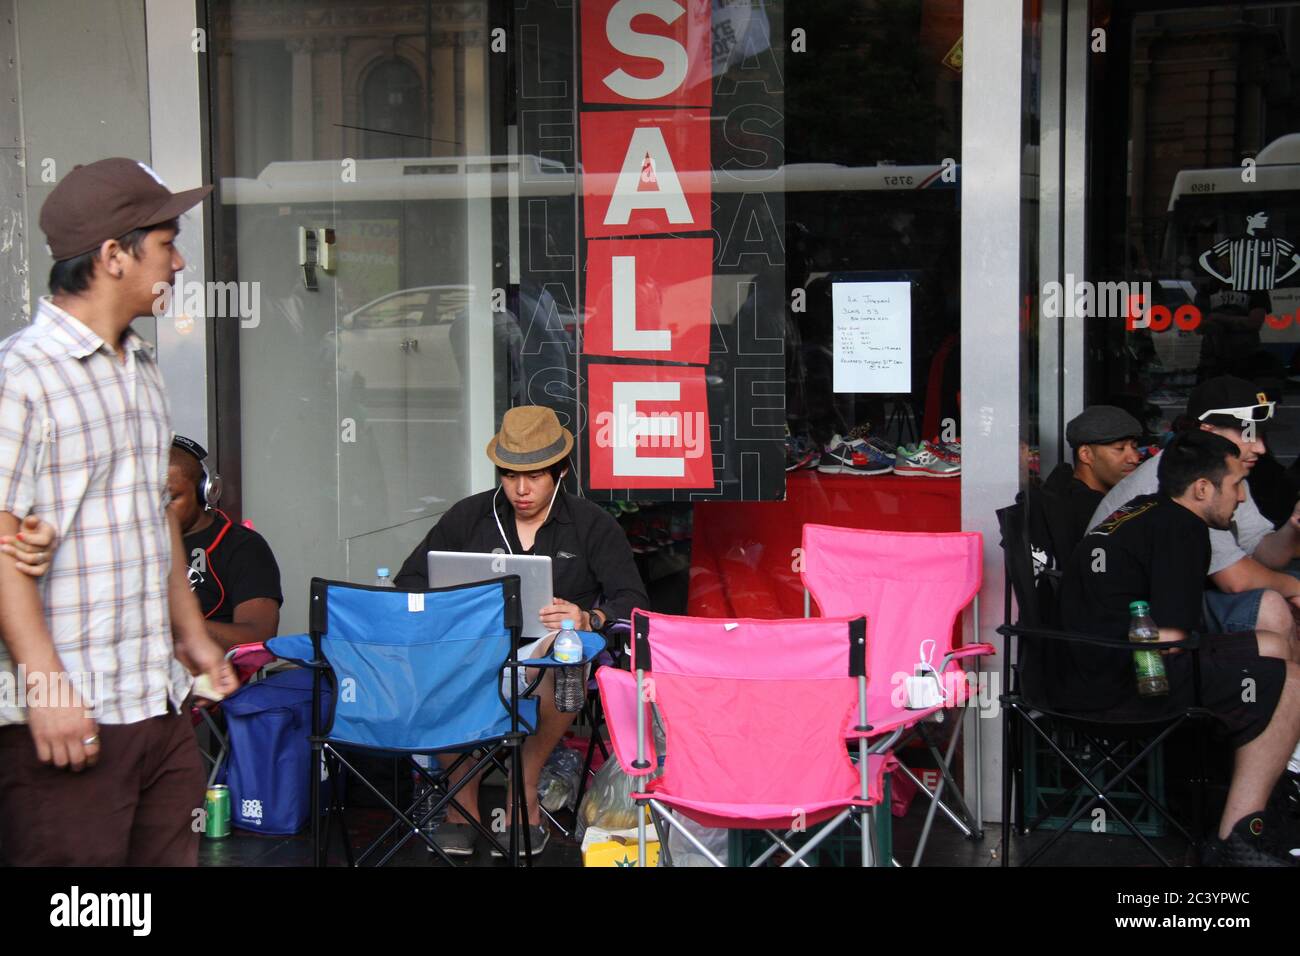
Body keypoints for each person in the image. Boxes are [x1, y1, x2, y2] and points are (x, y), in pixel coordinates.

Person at [0, 158, 237, 866]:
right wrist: (45, 686)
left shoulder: (142, 369)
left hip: (155, 706)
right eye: (166, 241)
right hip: (72, 714)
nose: (180, 259)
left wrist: (192, 634)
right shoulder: (22, 379)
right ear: (112, 255)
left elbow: (152, 515)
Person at [394, 405, 648, 857]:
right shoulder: (467, 517)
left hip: (552, 658)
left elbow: (633, 599)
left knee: (565, 661)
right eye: (510, 475)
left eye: (534, 476)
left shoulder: (591, 525)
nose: (521, 489)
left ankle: (524, 787)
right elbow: (410, 581)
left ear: (561, 471)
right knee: (439, 663)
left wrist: (589, 618)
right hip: (474, 650)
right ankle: (461, 801)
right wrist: (450, 610)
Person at [1059, 430, 1300, 865]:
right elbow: (1173, 639)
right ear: (1203, 489)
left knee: (1269, 645)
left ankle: (1267, 791)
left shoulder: (1143, 509)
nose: (1242, 498)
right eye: (1235, 485)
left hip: (1087, 670)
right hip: (1129, 686)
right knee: (1289, 678)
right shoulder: (1183, 530)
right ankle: (1238, 839)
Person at [1089, 376, 1300, 644]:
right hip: (1135, 620)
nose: (1260, 447)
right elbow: (1235, 579)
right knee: (1270, 606)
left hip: (1171, 599)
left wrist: (1294, 524)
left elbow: (1263, 552)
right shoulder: (1183, 478)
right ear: (1208, 430)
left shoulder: (1226, 470)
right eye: (1249, 434)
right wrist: (1295, 588)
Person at [167, 435, 282, 652]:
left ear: (206, 491)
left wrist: (179, 627)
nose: (156, 510)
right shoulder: (130, 542)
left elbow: (259, 635)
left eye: (169, 499)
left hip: (206, 679)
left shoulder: (243, 547)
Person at [1042, 405, 1142, 554]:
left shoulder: (1066, 493)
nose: (1134, 458)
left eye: (1134, 447)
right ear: (1086, 454)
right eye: (1120, 449)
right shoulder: (1088, 510)